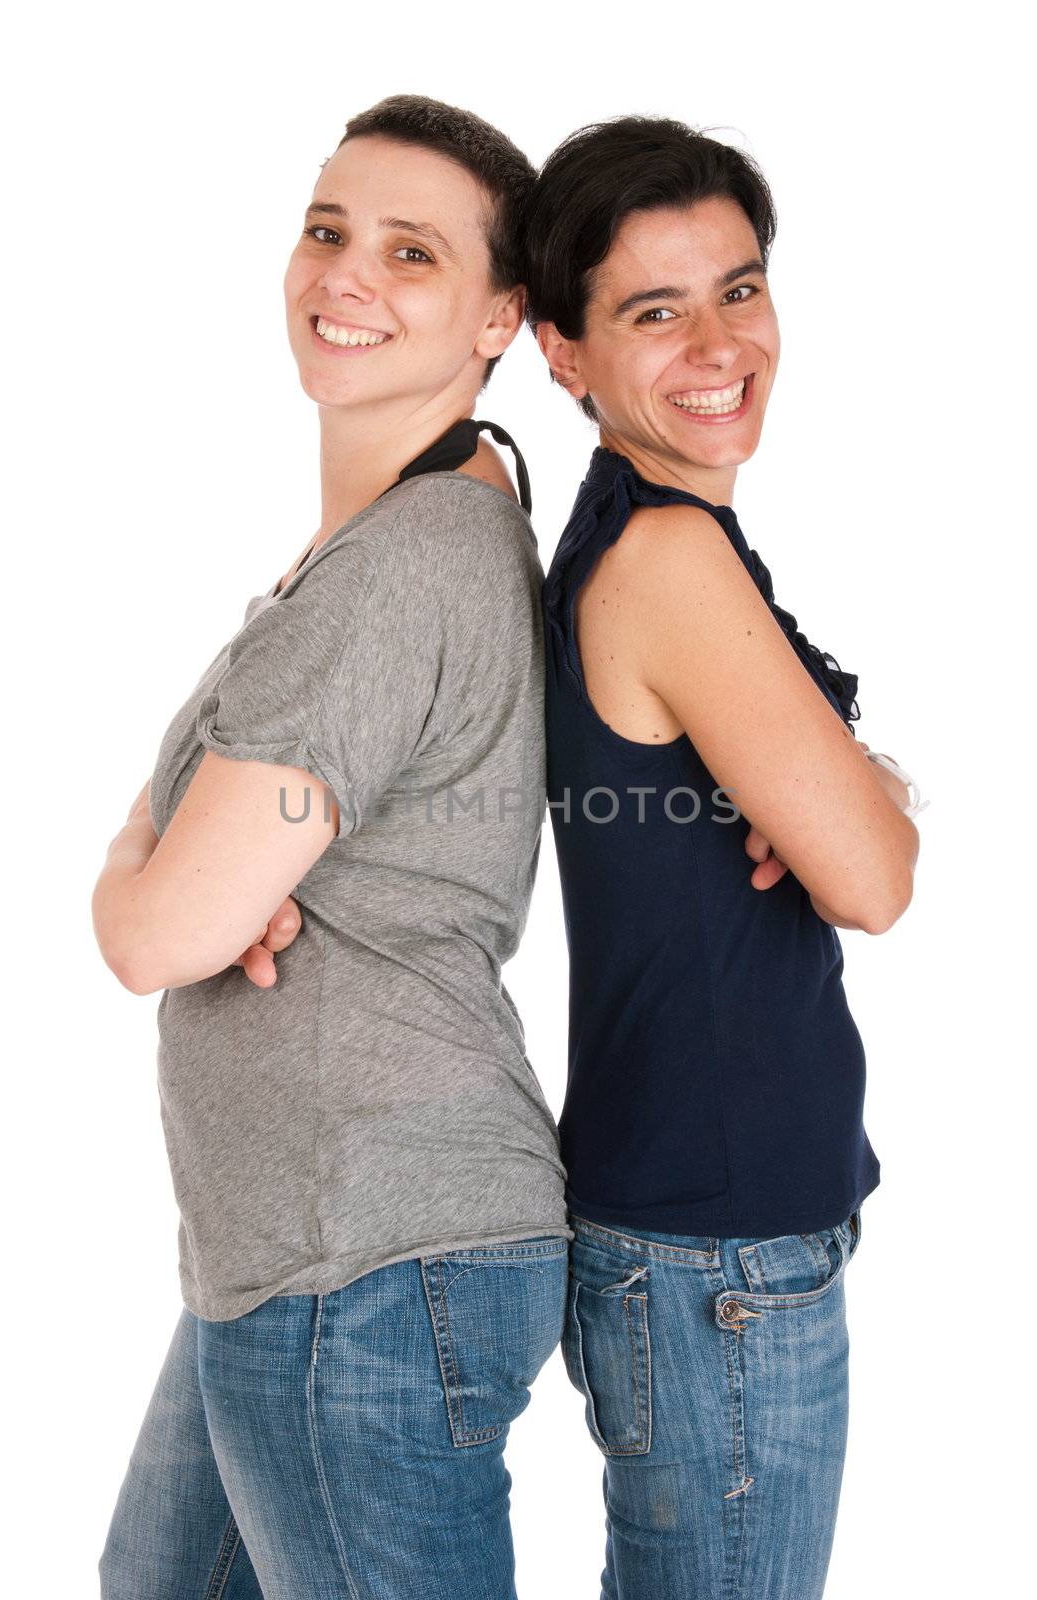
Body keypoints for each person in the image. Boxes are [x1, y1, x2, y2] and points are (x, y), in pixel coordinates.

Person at [92, 94, 570, 1600]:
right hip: (301, 1257)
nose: (345, 275)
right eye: (327, 229)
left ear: (500, 316)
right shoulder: (412, 533)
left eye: (411, 253)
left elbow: (155, 934)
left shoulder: (405, 568)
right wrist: (183, 860)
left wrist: (137, 861)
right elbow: (196, 891)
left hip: (363, 1258)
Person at [524, 116, 922, 1598]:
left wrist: (838, 780)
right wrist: (846, 799)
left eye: (739, 289)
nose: (718, 342)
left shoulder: (667, 534)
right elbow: (875, 879)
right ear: (563, 351)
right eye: (653, 310)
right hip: (721, 1260)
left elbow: (854, 830)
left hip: (704, 1245)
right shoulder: (670, 562)